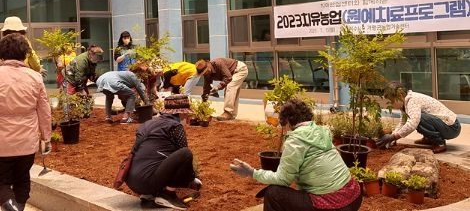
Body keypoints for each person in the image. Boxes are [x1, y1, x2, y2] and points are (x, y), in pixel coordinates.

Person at [230, 99, 362, 211]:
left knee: (273, 193)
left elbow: (283, 179)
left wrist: (252, 172)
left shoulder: (295, 141)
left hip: (334, 205)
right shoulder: (321, 131)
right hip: (354, 197)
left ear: (287, 121)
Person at [0, 33, 52, 211]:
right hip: (26, 142)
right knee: (22, 179)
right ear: (25, 54)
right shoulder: (35, 77)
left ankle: (10, 208)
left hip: (2, 143)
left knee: (2, 182)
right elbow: (44, 111)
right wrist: (46, 137)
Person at [125, 94, 202, 210]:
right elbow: (182, 157)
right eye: (186, 112)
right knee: (186, 154)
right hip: (147, 182)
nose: (187, 115)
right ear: (180, 112)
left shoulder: (147, 123)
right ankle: (168, 195)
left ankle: (151, 194)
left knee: (156, 157)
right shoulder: (175, 126)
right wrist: (191, 179)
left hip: (132, 181)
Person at [377, 81, 461, 153]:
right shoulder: (405, 103)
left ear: (400, 95)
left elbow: (412, 123)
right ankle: (429, 138)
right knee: (416, 118)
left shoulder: (413, 100)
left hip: (452, 127)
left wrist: (393, 137)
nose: (391, 104)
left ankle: (439, 142)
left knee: (418, 119)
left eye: (392, 101)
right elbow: (403, 122)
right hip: (445, 126)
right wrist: (393, 137)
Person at [64, 45, 104, 117]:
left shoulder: (93, 61)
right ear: (91, 54)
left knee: (86, 97)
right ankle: (68, 115)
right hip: (70, 78)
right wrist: (82, 90)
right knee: (70, 98)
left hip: (80, 78)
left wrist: (99, 81)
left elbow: (91, 74)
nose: (98, 60)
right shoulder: (81, 61)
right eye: (97, 58)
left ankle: (85, 113)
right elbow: (79, 77)